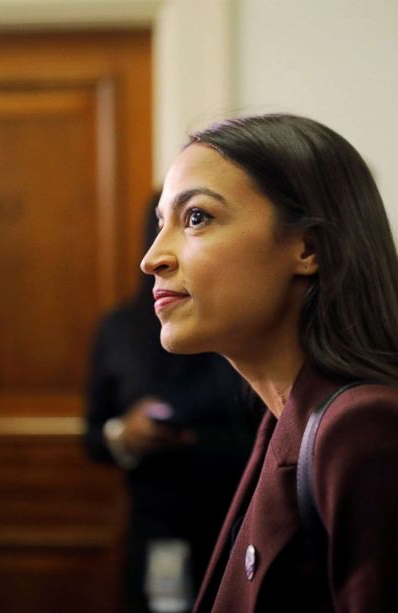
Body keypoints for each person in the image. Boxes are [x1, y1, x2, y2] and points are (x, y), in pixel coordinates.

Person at [140, 114, 398, 612]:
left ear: (308, 247)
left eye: (197, 217)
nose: (153, 258)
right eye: (161, 224)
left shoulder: (370, 432)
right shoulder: (288, 422)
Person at [84, 198, 257, 613]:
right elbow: (92, 436)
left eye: (194, 220)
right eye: (162, 222)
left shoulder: (238, 319)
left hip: (242, 520)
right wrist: (125, 433)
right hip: (162, 527)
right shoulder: (120, 328)